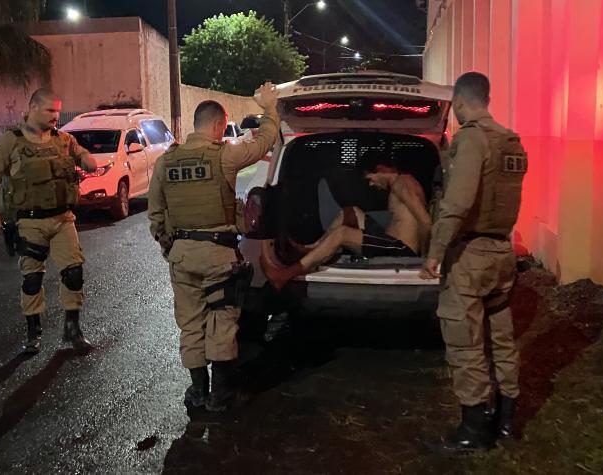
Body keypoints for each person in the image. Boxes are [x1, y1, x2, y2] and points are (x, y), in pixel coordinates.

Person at [147, 82, 280, 412]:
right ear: (220, 124)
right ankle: (220, 396)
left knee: (190, 323)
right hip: (218, 254)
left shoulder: (166, 161)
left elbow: (156, 215)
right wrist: (269, 107)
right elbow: (266, 140)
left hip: (182, 255)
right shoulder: (224, 155)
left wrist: (170, 248)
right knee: (221, 321)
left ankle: (197, 393)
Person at [419, 72, 528, 453]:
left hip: (471, 255)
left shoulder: (471, 139)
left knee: (464, 342)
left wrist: (435, 253)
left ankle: (472, 429)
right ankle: (506, 421)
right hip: (502, 252)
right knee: (501, 340)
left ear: (459, 102)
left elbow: (457, 203)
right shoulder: (510, 141)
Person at [0, 88, 97, 354]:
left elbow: (83, 155)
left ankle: (73, 329)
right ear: (33, 108)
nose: (56, 116)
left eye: (58, 111)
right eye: (50, 110)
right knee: (32, 278)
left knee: (74, 272)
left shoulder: (64, 140)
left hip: (63, 218)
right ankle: (33, 333)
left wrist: (88, 161)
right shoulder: (11, 141)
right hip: (30, 222)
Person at [261, 150, 432, 290]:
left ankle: (284, 276)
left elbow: (425, 221)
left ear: (380, 169)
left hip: (401, 249)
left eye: (370, 179)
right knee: (350, 212)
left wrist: (423, 257)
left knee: (343, 234)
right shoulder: (402, 183)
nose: (371, 185)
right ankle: (311, 250)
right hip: (391, 243)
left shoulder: (402, 184)